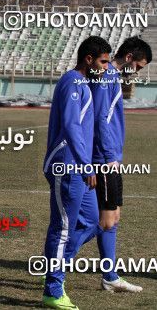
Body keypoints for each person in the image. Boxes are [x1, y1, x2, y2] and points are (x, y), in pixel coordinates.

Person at [42, 36, 112, 309]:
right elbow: (71, 126)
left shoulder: (85, 84)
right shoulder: (73, 82)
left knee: (94, 221)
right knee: (62, 229)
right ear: (89, 59)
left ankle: (55, 267)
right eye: (103, 62)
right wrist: (85, 165)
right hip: (67, 166)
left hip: (80, 167)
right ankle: (53, 289)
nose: (106, 67)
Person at [90, 36, 152, 293]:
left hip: (111, 157)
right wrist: (107, 158)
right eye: (137, 67)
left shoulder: (112, 78)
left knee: (112, 218)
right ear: (128, 59)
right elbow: (101, 120)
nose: (137, 73)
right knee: (103, 219)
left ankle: (110, 276)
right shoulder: (107, 80)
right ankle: (54, 263)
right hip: (106, 160)